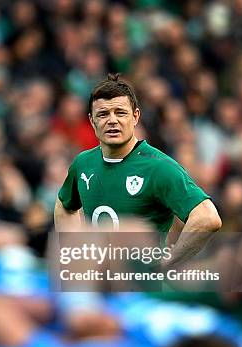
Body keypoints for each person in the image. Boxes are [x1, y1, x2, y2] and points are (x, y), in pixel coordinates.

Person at [54, 73, 222, 268]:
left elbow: (207, 218)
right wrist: (77, 254)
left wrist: (167, 263)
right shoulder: (83, 163)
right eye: (103, 114)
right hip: (100, 286)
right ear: (92, 121)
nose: (112, 120)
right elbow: (64, 205)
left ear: (135, 116)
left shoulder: (159, 167)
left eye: (120, 112)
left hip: (140, 289)